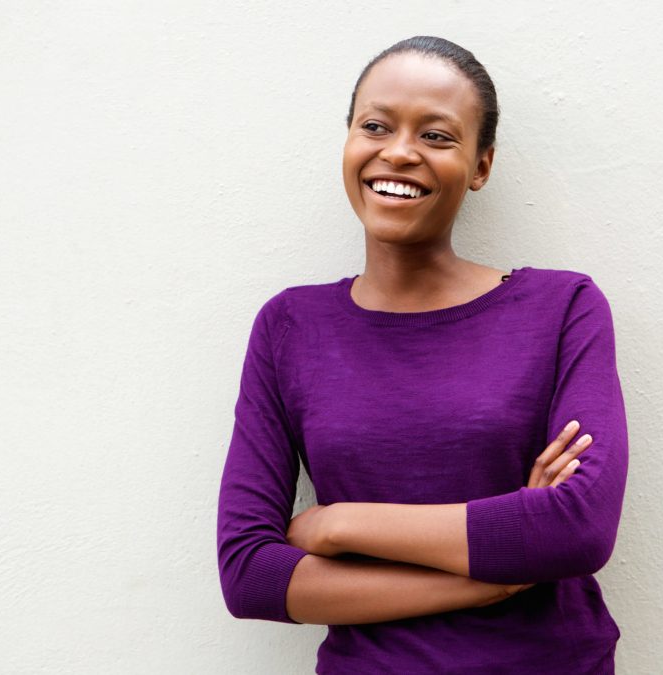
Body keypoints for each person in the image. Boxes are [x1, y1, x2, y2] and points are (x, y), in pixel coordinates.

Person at [216, 35, 628, 674]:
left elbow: (578, 529)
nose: (400, 152)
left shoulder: (561, 308)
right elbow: (250, 575)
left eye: (437, 136)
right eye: (375, 126)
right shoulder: (290, 327)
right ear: (349, 141)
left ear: (482, 165)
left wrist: (337, 525)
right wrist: (498, 576)